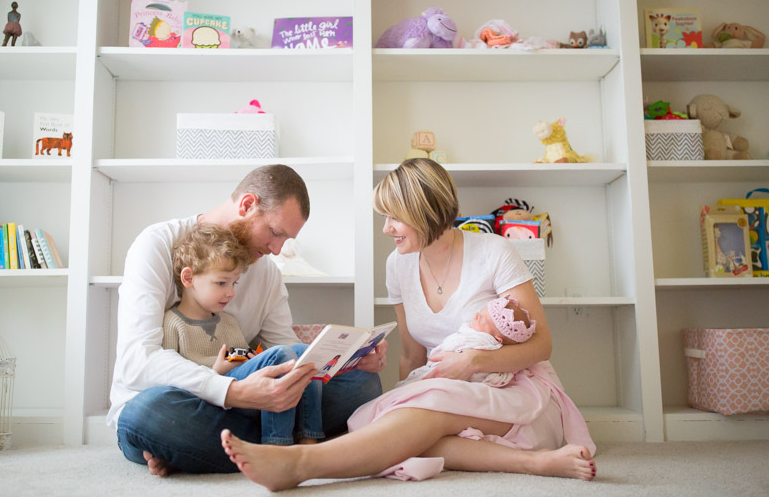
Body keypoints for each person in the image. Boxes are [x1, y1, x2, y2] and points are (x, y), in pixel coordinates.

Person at [219, 158, 596, 491]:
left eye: (393, 217)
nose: (386, 229)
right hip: (448, 389)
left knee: (415, 421)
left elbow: (542, 345)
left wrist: (470, 363)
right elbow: (414, 354)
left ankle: (298, 466)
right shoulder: (397, 265)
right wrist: (401, 403)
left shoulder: (494, 252)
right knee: (382, 422)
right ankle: (538, 464)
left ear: (425, 212)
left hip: (517, 390)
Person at [110, 164, 385, 476]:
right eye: (275, 232)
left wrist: (348, 361)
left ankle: (206, 450)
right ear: (247, 205)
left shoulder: (267, 273)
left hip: (254, 407)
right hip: (183, 402)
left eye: (286, 240)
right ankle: (282, 447)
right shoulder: (157, 245)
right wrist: (232, 391)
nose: (277, 250)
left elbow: (288, 353)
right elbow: (137, 360)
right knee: (147, 413)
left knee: (363, 385)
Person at [163, 223, 323, 445]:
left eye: (234, 283)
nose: (231, 292)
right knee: (282, 356)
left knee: (303, 353)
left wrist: (251, 356)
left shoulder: (227, 322)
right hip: (207, 393)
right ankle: (277, 444)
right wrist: (214, 371)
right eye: (221, 283)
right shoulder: (173, 323)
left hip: (244, 387)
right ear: (188, 279)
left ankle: (309, 439)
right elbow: (168, 382)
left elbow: (244, 356)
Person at [398, 296, 535, 388]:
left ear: (497, 339)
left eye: (482, 319)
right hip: (448, 373)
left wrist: (440, 352)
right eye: (480, 313)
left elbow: (452, 345)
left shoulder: (483, 342)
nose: (476, 315)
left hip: (452, 375)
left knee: (416, 384)